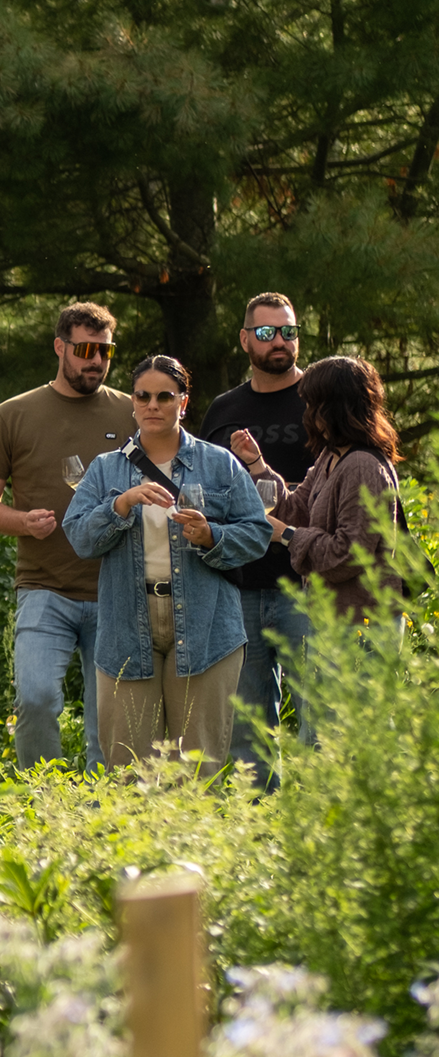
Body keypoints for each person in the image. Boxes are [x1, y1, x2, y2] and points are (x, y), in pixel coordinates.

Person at [61, 355, 270, 775]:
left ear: (183, 402)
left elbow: (257, 533)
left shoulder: (220, 463)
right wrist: (120, 504)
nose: (152, 405)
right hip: (126, 626)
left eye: (164, 396)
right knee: (131, 771)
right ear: (133, 402)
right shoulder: (106, 468)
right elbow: (79, 538)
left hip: (206, 624)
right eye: (143, 396)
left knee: (197, 771)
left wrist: (211, 536)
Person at [0, 302, 131, 772]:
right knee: (36, 699)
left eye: (105, 351)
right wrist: (23, 522)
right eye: (85, 350)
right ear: (60, 347)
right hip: (43, 587)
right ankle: (43, 797)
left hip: (114, 586)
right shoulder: (14, 414)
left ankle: (107, 806)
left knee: (110, 720)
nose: (96, 361)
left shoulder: (131, 412)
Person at [197, 292, 313, 777]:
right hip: (239, 584)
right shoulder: (225, 409)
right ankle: (260, 816)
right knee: (247, 725)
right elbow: (199, 483)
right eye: (267, 333)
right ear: (245, 340)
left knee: (319, 716)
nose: (279, 341)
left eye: (288, 331)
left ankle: (320, 812)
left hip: (307, 584)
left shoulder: (320, 399)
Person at [259, 354, 403, 630]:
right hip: (334, 620)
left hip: (364, 626)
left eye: (312, 403)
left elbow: (348, 555)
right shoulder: (331, 455)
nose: (307, 413)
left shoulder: (360, 466)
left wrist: (286, 535)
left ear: (334, 407)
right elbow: (295, 510)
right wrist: (257, 464)